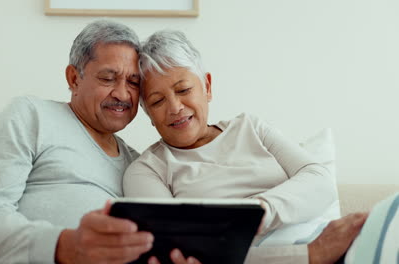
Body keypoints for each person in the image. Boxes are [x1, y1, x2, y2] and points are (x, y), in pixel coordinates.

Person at [123, 30, 371, 264]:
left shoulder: (251, 127)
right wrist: (309, 254)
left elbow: (320, 180)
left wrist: (257, 212)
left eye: (184, 89)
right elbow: (184, 251)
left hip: (336, 243)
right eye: (157, 101)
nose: (175, 107)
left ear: (207, 87)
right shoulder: (147, 171)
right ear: (148, 114)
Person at [0, 20, 194, 264]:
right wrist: (67, 246)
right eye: (107, 78)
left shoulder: (140, 166)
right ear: (74, 78)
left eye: (133, 83)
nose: (122, 94)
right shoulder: (32, 116)